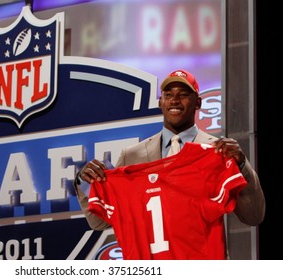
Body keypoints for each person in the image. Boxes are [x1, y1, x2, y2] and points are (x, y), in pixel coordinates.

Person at [73, 69, 266, 232]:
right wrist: (84, 181)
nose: (174, 100)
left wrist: (242, 165)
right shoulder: (132, 155)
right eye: (168, 94)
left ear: (198, 103)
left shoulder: (217, 152)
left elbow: (253, 216)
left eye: (183, 94)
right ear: (160, 102)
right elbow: (101, 222)